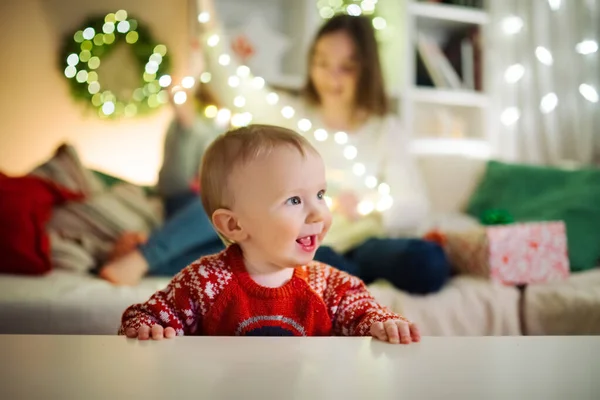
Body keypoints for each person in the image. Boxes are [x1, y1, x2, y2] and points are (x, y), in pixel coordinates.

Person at [101, 13, 450, 295]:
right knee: (240, 199)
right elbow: (230, 79)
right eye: (322, 62)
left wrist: (370, 203)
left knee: (427, 262)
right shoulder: (290, 115)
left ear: (366, 70)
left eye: (346, 66)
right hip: (296, 240)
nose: (331, 77)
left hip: (362, 241)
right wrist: (207, 18)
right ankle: (146, 258)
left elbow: (414, 203)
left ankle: (147, 257)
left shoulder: (383, 130)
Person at [120, 125, 420, 344]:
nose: (318, 213)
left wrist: (384, 323)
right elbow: (146, 316)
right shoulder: (204, 283)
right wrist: (146, 328)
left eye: (320, 194)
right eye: (294, 200)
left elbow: (364, 312)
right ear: (234, 226)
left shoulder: (328, 285)